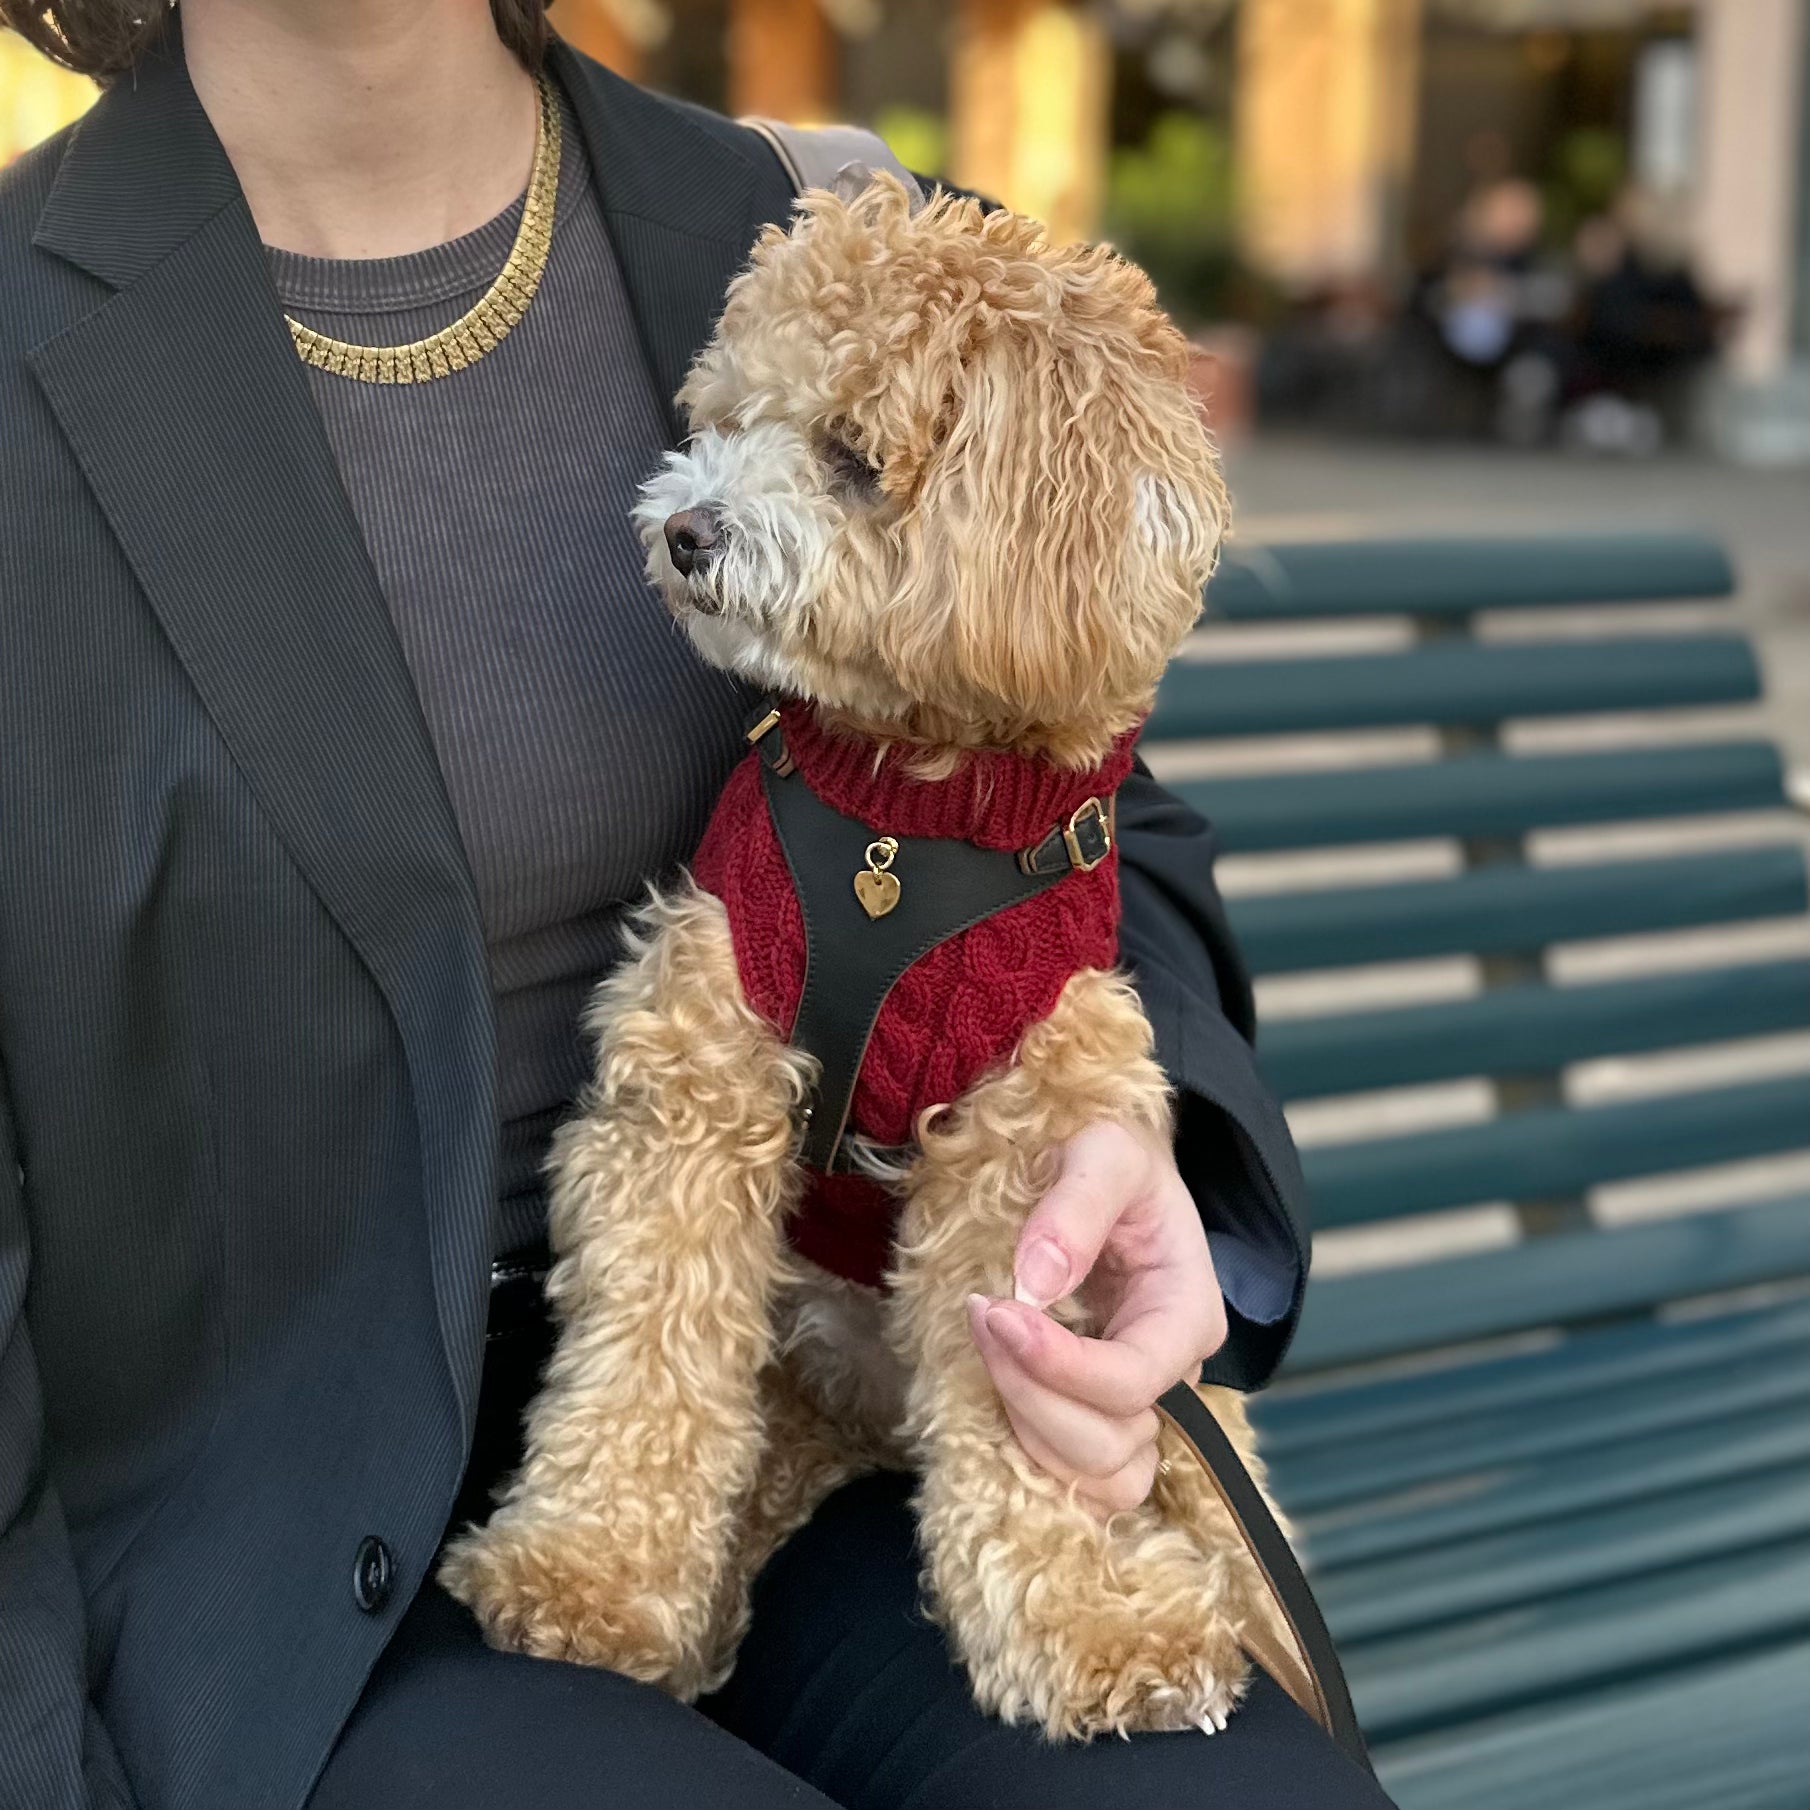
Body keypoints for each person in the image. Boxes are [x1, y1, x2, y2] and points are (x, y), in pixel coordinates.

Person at [0, 3, 1392, 1805]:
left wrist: (1147, 1162)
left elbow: (1101, 814)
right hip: (254, 1547)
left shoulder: (820, 225)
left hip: (829, 1388)